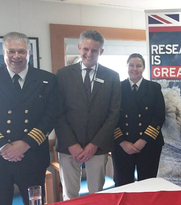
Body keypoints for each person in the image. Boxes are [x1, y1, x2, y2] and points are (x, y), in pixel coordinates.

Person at [55, 29, 121, 200]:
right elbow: (57, 113)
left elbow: (113, 114)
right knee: (70, 195)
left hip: (97, 148)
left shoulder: (112, 77)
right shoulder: (62, 75)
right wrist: (72, 144)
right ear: (79, 48)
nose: (89, 54)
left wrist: (93, 145)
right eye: (86, 49)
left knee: (96, 195)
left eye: (94, 50)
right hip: (68, 147)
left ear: (101, 52)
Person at [0, 32, 59, 205]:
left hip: (32, 156)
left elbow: (51, 115)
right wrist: (4, 146)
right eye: (11, 51)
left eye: (21, 51)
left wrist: (24, 144)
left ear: (29, 53)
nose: (16, 56)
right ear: (4, 52)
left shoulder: (47, 79)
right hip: (1, 157)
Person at [112, 53, 165, 186]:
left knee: (147, 186)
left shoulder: (154, 88)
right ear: (127, 67)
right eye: (131, 65)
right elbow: (111, 117)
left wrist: (144, 140)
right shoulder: (117, 88)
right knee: (123, 186)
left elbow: (159, 116)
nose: (134, 69)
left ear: (144, 68)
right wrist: (123, 142)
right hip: (122, 146)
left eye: (138, 65)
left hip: (148, 146)